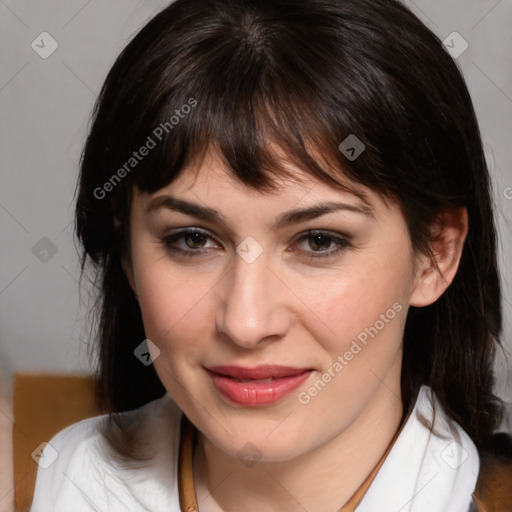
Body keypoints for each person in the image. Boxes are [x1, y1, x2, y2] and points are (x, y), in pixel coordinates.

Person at [30, 0, 512, 510]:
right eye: (192, 239)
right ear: (127, 253)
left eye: (319, 241)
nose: (246, 323)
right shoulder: (70, 479)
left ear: (436, 253)